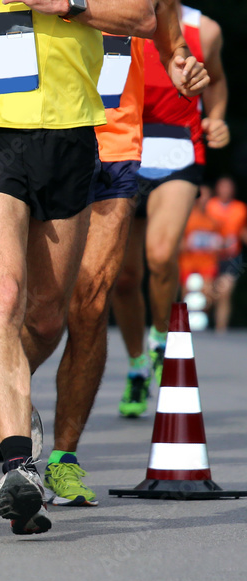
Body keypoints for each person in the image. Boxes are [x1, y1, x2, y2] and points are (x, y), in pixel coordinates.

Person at [0, 0, 156, 535]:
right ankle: (19, 469)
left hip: (70, 134)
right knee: (3, 294)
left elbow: (142, 18)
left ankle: (6, 398)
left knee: (46, 319)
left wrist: (67, 5)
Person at [43, 0, 207, 505]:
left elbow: (162, 28)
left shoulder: (189, 18)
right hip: (43, 134)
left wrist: (182, 62)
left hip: (124, 144)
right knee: (37, 313)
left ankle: (61, 459)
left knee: (91, 303)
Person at [113, 5, 227, 413]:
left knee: (161, 256)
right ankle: (136, 366)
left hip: (177, 148)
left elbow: (214, 80)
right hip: (121, 147)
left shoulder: (204, 29)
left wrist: (215, 117)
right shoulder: (111, 13)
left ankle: (161, 338)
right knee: (124, 278)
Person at [206, 177, 247, 332]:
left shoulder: (240, 208)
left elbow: (242, 231)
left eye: (228, 187)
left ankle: (220, 329)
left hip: (232, 257)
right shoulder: (209, 206)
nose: (225, 190)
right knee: (208, 293)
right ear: (217, 189)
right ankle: (202, 325)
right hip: (210, 256)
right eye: (222, 187)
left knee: (225, 292)